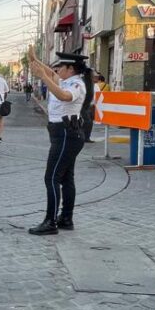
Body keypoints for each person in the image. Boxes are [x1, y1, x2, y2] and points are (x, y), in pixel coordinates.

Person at [26, 47, 87, 235]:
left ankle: (50, 222)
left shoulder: (76, 85)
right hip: (63, 134)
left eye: (61, 66)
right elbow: (51, 73)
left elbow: (64, 96)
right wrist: (35, 60)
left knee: (51, 178)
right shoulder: (66, 80)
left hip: (66, 135)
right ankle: (66, 218)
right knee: (66, 178)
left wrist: (43, 76)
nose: (57, 69)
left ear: (70, 69)